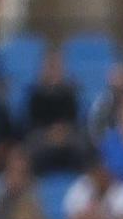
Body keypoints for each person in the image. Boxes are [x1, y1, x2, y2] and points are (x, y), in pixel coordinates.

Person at [22, 46, 90, 175]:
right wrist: (49, 134)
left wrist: (62, 132)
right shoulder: (35, 95)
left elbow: (73, 120)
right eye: (50, 66)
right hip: (41, 136)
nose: (53, 70)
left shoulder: (70, 93)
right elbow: (32, 124)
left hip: (66, 134)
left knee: (83, 144)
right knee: (30, 146)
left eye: (57, 66)